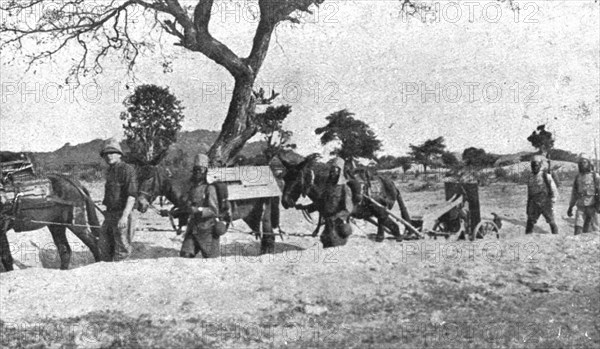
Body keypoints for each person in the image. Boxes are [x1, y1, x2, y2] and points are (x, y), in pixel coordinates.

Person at [295, 157, 354, 248]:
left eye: (336, 170)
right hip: (328, 225)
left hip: (338, 227)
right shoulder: (328, 187)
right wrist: (305, 207)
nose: (333, 172)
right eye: (332, 170)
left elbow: (348, 209)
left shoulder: (344, 188)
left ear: (340, 172)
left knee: (335, 246)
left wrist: (335, 217)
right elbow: (320, 203)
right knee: (326, 243)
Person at [98, 138, 138, 261]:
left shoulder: (127, 170)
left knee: (122, 249)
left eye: (112, 153)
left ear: (119, 154)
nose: (109, 156)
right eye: (106, 154)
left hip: (123, 214)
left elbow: (131, 195)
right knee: (104, 247)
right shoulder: (110, 171)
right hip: (110, 214)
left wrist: (124, 216)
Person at [179, 154, 221, 258]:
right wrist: (172, 213)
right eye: (196, 170)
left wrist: (198, 210)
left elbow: (214, 210)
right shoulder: (192, 189)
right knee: (185, 255)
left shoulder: (210, 189)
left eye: (200, 170)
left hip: (208, 231)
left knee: (211, 261)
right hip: (193, 230)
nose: (197, 172)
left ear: (205, 172)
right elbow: (187, 208)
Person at [525, 155, 559, 235]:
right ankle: (527, 238)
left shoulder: (545, 176)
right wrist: (528, 205)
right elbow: (529, 192)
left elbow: (553, 188)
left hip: (545, 202)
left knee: (551, 221)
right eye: (532, 165)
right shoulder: (530, 177)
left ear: (540, 165)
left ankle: (556, 237)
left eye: (536, 165)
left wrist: (553, 200)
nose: (534, 167)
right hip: (534, 203)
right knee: (530, 222)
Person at [567, 155, 600, 235]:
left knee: (596, 230)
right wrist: (571, 206)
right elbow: (574, 193)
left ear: (589, 163)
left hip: (592, 207)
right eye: (580, 163)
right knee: (577, 229)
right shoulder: (578, 177)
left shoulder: (595, 176)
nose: (582, 164)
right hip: (581, 206)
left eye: (584, 162)